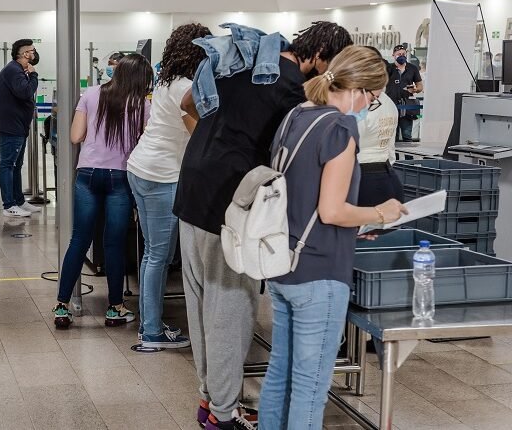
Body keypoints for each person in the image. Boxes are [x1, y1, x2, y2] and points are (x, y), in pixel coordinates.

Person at [174, 21, 353, 430]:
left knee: (201, 306)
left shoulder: (240, 64)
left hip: (191, 190)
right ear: (321, 54)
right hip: (228, 206)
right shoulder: (291, 92)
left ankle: (211, 401)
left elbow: (189, 102)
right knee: (229, 313)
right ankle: (222, 415)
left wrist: (214, 145)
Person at [258, 45, 407, 430]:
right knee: (310, 385)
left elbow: (303, 197)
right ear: (360, 90)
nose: (368, 106)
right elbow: (331, 210)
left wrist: (357, 226)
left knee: (281, 373)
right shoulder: (340, 127)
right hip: (319, 273)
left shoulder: (296, 115)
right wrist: (379, 212)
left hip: (282, 263)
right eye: (373, 99)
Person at [52, 53, 153, 329]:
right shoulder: (142, 105)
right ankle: (115, 308)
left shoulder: (91, 94)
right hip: (120, 177)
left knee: (79, 240)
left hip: (87, 175)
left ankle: (62, 306)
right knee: (114, 244)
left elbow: (75, 136)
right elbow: (145, 142)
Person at [126, 23, 211, 349]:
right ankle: (152, 333)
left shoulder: (166, 80)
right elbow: (200, 131)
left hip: (141, 167)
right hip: (162, 176)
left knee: (152, 253)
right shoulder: (186, 88)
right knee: (160, 255)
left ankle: (150, 323)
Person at [0, 38, 42, 217]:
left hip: (18, 126)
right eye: (31, 50)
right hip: (11, 126)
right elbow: (25, 92)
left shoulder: (17, 70)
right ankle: (9, 205)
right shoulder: (14, 70)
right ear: (24, 54)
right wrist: (34, 75)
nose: (34, 54)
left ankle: (19, 201)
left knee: (16, 165)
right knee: (8, 164)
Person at [357, 46, 403, 207]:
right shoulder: (389, 102)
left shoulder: (361, 104)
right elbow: (391, 149)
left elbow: (348, 148)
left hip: (363, 180)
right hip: (388, 175)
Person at [386, 44, 423, 142]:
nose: (401, 55)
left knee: (407, 136)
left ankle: (408, 157)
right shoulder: (389, 68)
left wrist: (415, 89)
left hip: (407, 106)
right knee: (393, 136)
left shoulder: (412, 68)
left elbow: (420, 86)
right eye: (398, 54)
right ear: (393, 55)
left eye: (403, 53)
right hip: (391, 105)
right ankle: (395, 157)